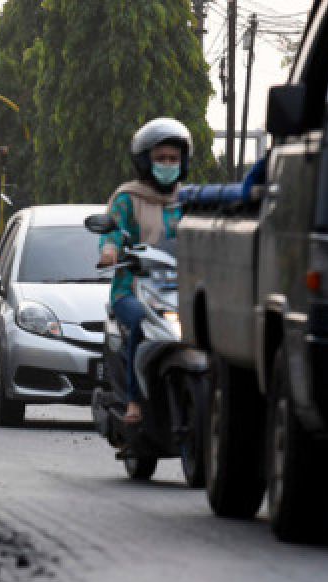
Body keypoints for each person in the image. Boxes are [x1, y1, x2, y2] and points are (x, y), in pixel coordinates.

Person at [99, 117, 192, 426]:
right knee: (139, 322)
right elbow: (111, 232)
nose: (168, 164)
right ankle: (134, 401)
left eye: (173, 159)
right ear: (144, 162)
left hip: (179, 291)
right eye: (161, 158)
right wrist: (110, 251)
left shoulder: (188, 201)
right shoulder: (128, 198)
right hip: (133, 289)